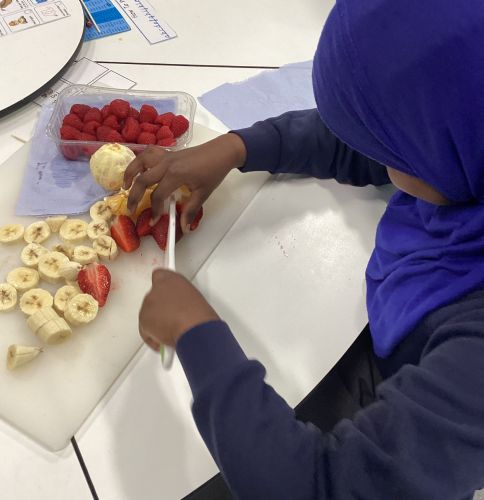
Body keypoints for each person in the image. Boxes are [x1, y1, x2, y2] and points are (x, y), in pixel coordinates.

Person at [124, 1, 484, 498]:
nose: (377, 155)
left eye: (391, 149)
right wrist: (236, 148)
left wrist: (194, 332)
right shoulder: (460, 148)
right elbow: (359, 140)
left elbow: (316, 487)